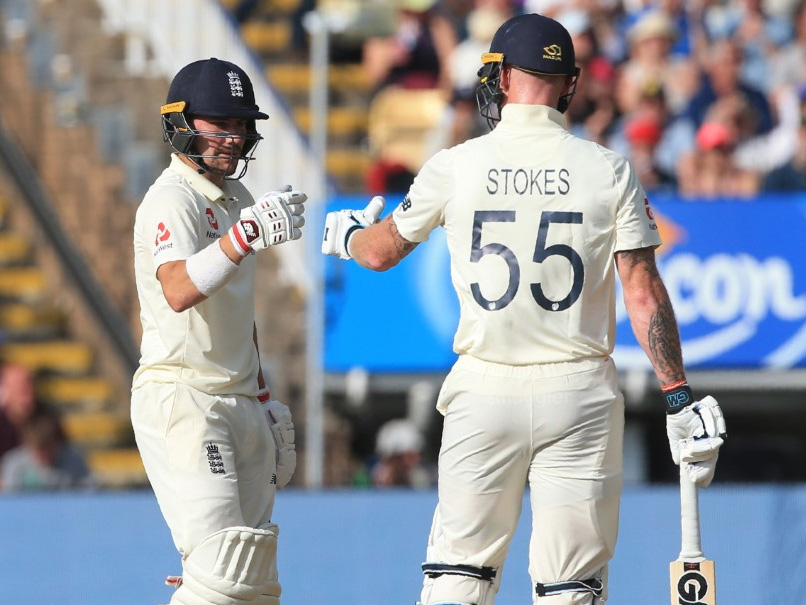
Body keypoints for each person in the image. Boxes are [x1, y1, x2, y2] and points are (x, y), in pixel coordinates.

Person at [322, 14, 726, 605]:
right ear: (570, 84)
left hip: (483, 388)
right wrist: (677, 397)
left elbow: (381, 253)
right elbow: (642, 294)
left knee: (458, 580)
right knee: (570, 587)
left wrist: (348, 237)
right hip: (579, 392)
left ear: (505, 78)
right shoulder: (608, 169)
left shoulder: (455, 164)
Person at [131, 58, 304, 605]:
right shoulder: (171, 198)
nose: (233, 138)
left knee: (251, 581)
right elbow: (179, 289)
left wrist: (264, 396)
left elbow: (237, 310)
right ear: (181, 122)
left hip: (239, 400)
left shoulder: (239, 201)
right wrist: (242, 238)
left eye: (240, 125)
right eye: (219, 124)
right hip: (186, 398)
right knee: (221, 577)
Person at [0, 404, 93, 492]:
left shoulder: (74, 461)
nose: (44, 457)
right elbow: (10, 501)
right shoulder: (14, 465)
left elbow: (89, 493)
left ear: (56, 443)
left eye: (48, 451)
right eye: (39, 452)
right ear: (27, 445)